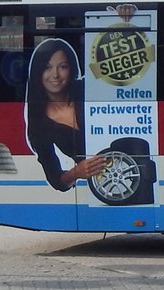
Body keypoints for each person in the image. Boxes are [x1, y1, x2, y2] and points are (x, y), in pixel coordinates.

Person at [24, 38, 108, 191]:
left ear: (72, 69)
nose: (55, 75)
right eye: (47, 68)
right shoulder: (39, 125)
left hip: (134, 154)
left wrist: (120, 16)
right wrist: (76, 172)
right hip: (109, 181)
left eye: (62, 67)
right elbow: (56, 180)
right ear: (38, 72)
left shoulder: (87, 88)